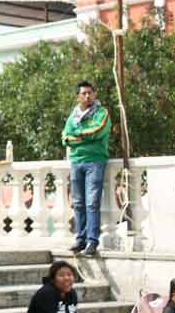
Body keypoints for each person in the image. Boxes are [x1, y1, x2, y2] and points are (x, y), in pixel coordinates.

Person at [61, 80, 111, 257]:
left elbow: (97, 131)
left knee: (92, 202)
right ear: (78, 97)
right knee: (79, 202)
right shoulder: (72, 116)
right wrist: (80, 137)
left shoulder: (101, 113)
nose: (87, 96)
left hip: (94, 161)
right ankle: (80, 238)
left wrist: (78, 135)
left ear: (94, 94)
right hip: (76, 162)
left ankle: (92, 240)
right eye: (83, 93)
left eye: (90, 92)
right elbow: (65, 137)